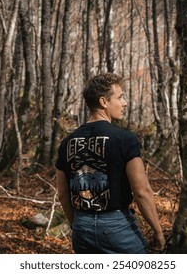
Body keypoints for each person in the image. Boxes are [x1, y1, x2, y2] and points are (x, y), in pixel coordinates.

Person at [55, 73, 165, 254]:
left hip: (81, 226)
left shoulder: (67, 143)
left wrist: (77, 225)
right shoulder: (124, 139)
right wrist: (158, 231)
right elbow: (141, 191)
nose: (125, 103)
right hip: (116, 226)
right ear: (103, 102)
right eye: (120, 97)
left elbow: (63, 194)